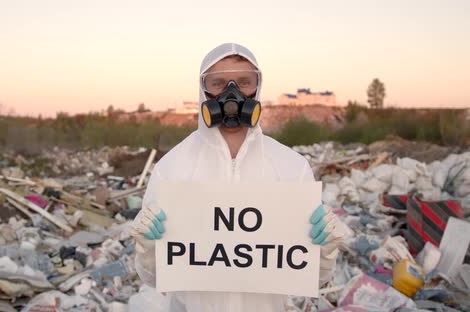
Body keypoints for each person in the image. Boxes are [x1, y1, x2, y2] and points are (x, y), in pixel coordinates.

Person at [132, 43, 345, 311]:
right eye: (218, 83)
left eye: (244, 82)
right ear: (203, 90)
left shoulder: (291, 167)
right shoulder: (172, 168)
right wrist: (149, 249)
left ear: (258, 87)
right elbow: (153, 278)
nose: (231, 93)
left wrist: (323, 252)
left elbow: (313, 277)